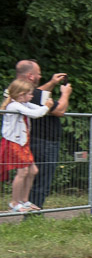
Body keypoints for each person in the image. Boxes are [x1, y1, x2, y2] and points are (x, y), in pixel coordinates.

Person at [15, 60, 72, 210]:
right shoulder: (32, 94)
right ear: (30, 76)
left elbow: (37, 93)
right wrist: (65, 94)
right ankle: (34, 214)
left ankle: (28, 209)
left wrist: (52, 83)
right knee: (42, 181)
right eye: (38, 74)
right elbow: (59, 110)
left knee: (32, 175)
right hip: (45, 142)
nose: (40, 76)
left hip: (32, 140)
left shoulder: (20, 92)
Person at [2, 78, 51, 213]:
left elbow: (39, 109)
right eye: (29, 94)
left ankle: (24, 200)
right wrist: (47, 106)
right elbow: (36, 114)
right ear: (20, 94)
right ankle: (14, 202)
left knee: (33, 171)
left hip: (23, 142)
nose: (32, 96)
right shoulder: (14, 105)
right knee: (22, 172)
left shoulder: (23, 103)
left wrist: (46, 106)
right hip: (15, 142)